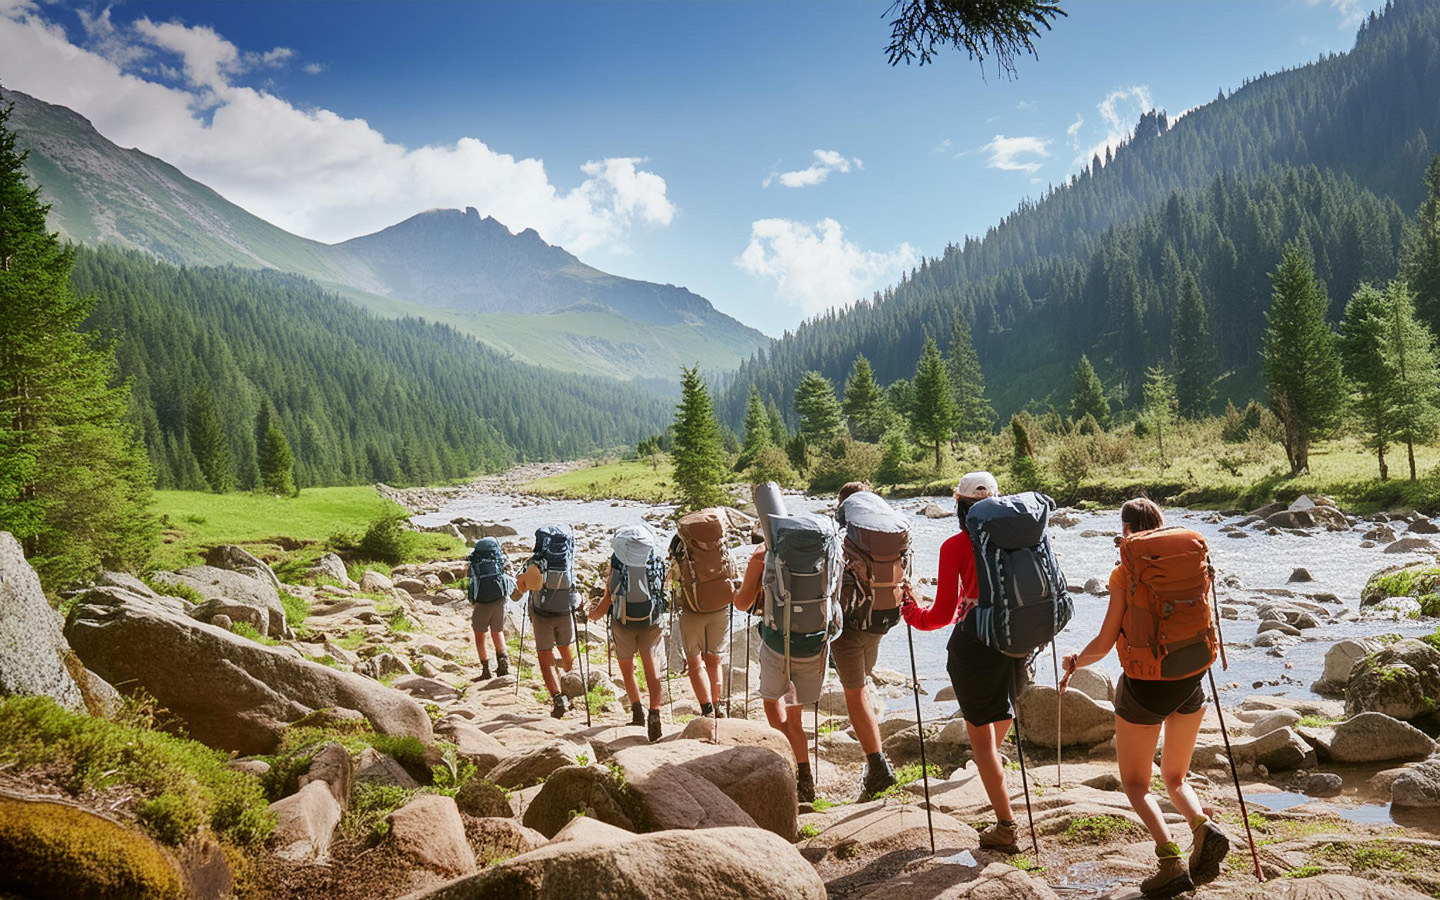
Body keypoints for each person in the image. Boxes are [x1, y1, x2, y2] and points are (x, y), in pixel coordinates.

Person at [1060, 498, 1230, 899]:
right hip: (1192, 679)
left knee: (1136, 784)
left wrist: (1075, 662)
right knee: (1175, 777)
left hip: (1147, 686)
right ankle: (1202, 827)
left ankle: (1170, 863)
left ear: (1127, 531)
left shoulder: (1125, 573)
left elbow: (1104, 643)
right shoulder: (1191, 562)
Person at [901, 471, 1021, 854]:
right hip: (1016, 640)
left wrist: (910, 609)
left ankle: (1005, 827)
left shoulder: (955, 545)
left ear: (960, 506)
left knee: (982, 744)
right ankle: (991, 771)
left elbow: (939, 615)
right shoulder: (1020, 540)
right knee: (1001, 717)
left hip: (975, 647)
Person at [735, 507, 837, 804]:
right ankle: (806, 778)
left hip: (778, 645)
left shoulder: (761, 555)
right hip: (813, 645)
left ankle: (788, 765)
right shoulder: (826, 549)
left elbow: (742, 604)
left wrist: (734, 593)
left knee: (771, 704)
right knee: (796, 718)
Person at [832, 480, 899, 799]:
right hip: (880, 620)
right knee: (864, 680)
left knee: (854, 691)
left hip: (849, 626)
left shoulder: (845, 538)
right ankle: (875, 754)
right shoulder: (890, 536)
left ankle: (877, 768)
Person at [589, 524, 667, 742]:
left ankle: (637, 711)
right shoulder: (655, 560)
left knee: (626, 665)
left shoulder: (617, 563)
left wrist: (592, 615)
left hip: (622, 622)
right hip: (652, 621)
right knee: (652, 667)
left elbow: (609, 597)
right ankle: (655, 714)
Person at [511, 526, 579, 719]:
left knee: (545, 655)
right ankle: (571, 688)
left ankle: (557, 698)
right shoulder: (567, 561)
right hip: (565, 612)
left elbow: (521, 589)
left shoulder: (535, 562)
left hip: (542, 615)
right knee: (566, 650)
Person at [466, 536, 514, 680]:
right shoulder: (499, 558)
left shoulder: (474, 561)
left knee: (479, 635)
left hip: (482, 601)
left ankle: (486, 670)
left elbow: (470, 582)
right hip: (499, 599)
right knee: (497, 631)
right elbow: (509, 574)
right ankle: (503, 661)